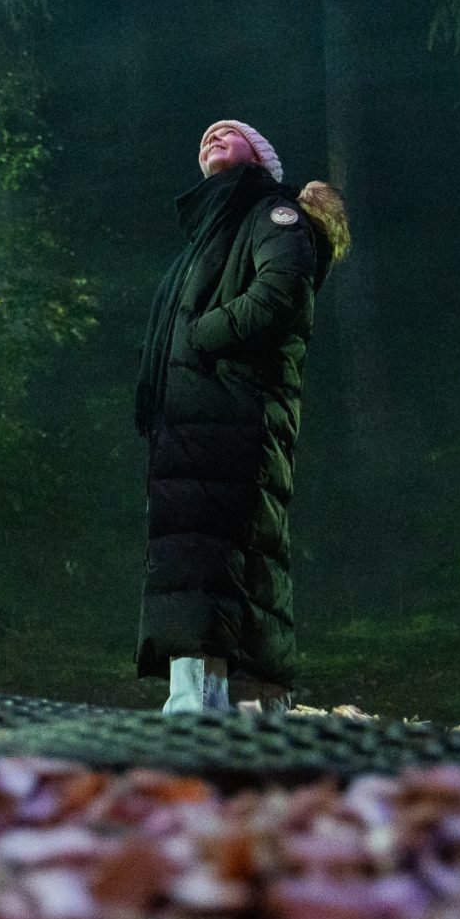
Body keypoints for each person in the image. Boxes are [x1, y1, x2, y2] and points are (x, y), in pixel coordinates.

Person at [135, 119, 349, 714]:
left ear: (262, 158)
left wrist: (201, 336)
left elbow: (282, 294)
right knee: (206, 562)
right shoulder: (209, 234)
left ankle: (205, 712)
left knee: (221, 559)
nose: (211, 135)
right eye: (203, 134)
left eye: (230, 132)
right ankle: (239, 712)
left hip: (237, 418)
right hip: (195, 426)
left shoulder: (270, 214)